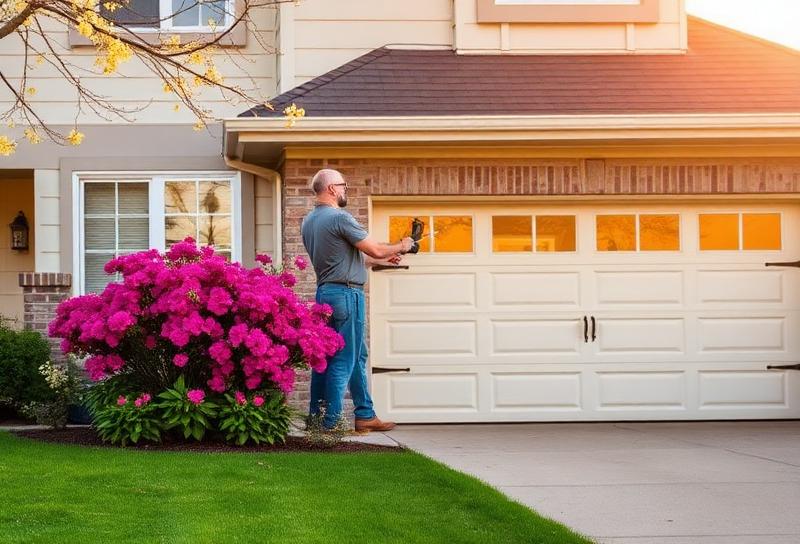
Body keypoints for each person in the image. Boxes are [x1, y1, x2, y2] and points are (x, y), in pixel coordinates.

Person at [301, 169, 415, 432]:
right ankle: (329, 425)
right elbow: (374, 247)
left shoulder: (309, 221)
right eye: (343, 186)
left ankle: (360, 414)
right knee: (343, 358)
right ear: (331, 189)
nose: (345, 191)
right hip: (346, 295)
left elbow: (350, 258)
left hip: (325, 294)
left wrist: (377, 261)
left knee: (337, 356)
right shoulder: (340, 217)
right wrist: (402, 245)